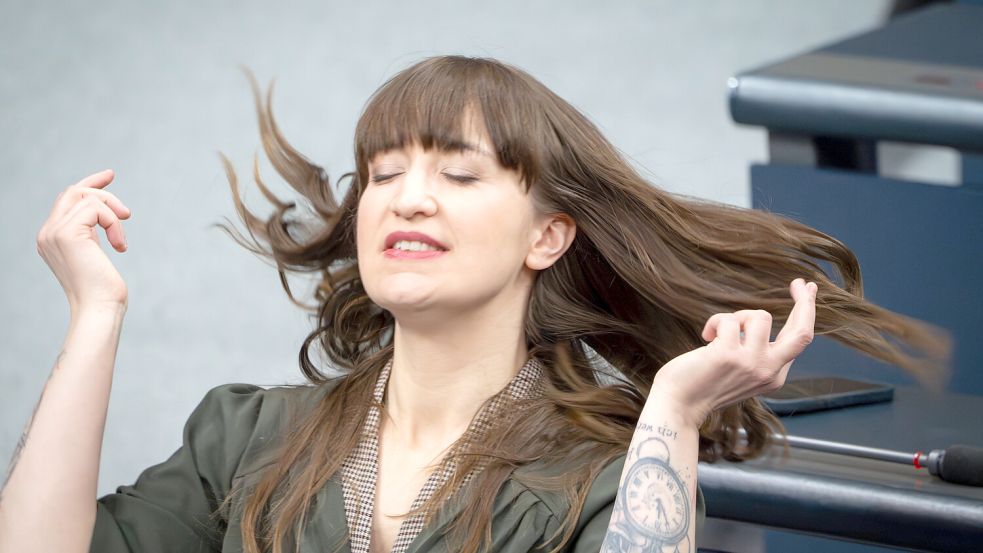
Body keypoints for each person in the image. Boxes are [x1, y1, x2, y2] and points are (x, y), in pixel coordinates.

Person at [0, 56, 949, 553]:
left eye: (458, 174)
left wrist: (671, 411)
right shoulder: (247, 435)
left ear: (547, 236)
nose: (408, 198)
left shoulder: (602, 471)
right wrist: (95, 318)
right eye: (383, 174)